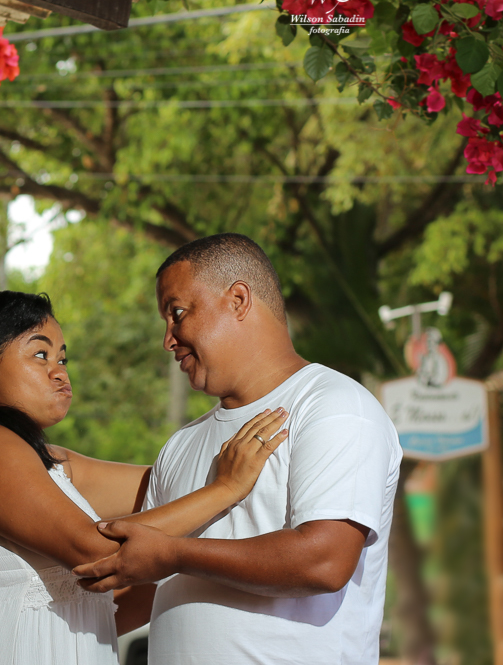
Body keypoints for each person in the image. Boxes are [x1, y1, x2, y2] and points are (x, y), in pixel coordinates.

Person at [74, 233, 403, 665]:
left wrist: (174, 554)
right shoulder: (180, 445)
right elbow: (144, 586)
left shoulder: (334, 405)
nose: (168, 339)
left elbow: (324, 562)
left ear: (239, 300)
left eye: (177, 313)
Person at [0, 291, 288, 665]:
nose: (59, 372)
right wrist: (226, 488)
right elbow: (96, 550)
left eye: (62, 358)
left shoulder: (53, 466)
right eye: (40, 354)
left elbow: (172, 485)